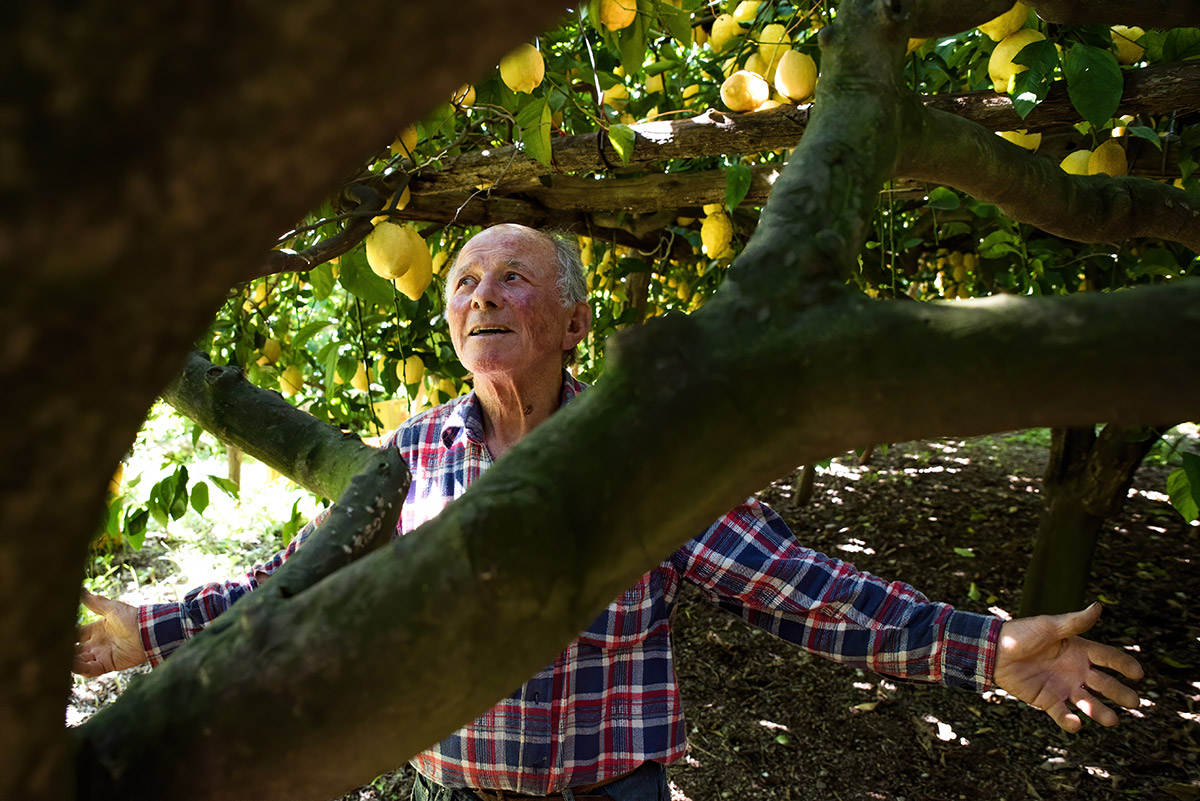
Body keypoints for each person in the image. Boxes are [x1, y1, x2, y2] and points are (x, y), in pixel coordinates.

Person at [76, 223, 1145, 801]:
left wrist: (985, 648)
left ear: (576, 320)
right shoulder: (404, 460)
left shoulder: (642, 462)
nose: (482, 295)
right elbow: (287, 587)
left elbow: (803, 589)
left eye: (513, 279)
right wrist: (142, 632)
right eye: (463, 283)